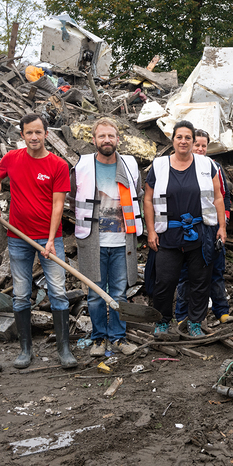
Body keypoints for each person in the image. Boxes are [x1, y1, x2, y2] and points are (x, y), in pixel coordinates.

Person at [0, 113, 74, 369]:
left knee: (58, 291)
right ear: (22, 135)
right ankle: (25, 350)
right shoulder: (11, 159)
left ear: (46, 134)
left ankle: (64, 350)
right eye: (29, 132)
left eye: (39, 132)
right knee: (21, 294)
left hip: (50, 239)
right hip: (18, 237)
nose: (34, 137)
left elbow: (58, 205)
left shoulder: (58, 165)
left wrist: (50, 240)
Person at [143, 121, 227, 339]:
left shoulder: (206, 164)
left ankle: (195, 322)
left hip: (200, 232)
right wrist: (151, 231)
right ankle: (163, 321)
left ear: (193, 141)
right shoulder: (159, 165)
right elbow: (148, 199)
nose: (183, 141)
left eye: (188, 137)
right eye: (179, 137)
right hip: (168, 233)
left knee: (200, 280)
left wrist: (222, 227)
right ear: (173, 140)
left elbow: (218, 196)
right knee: (165, 281)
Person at [71, 118, 142, 357]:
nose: (107, 140)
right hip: (93, 241)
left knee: (120, 293)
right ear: (94, 140)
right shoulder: (83, 166)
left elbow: (137, 194)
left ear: (118, 139)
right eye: (102, 136)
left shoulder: (129, 165)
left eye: (111, 136)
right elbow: (72, 198)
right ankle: (99, 338)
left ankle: (118, 338)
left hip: (123, 242)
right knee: (95, 294)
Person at [173, 129, 233, 326]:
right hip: (188, 229)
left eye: (203, 146)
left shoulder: (214, 167)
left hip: (211, 228)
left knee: (216, 270)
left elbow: (223, 196)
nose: (199, 149)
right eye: (196, 144)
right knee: (185, 274)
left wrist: (223, 223)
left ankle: (221, 310)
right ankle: (182, 314)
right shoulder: (178, 166)